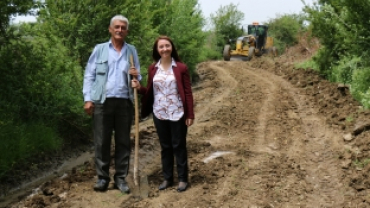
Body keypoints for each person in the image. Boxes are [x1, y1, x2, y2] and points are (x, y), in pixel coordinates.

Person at [82, 15, 141, 194]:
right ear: (110, 29)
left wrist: (136, 79)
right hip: (102, 101)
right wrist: (88, 98)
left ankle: (120, 179)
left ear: (127, 31)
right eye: (117, 27)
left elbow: (138, 76)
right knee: (101, 141)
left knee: (123, 141)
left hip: (124, 102)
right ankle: (102, 178)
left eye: (123, 27)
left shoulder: (131, 51)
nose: (120, 30)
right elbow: (89, 75)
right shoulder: (100, 50)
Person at [131, 36, 194, 192]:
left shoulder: (181, 68)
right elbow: (151, 92)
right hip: (159, 113)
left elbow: (187, 92)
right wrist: (139, 88)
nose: (164, 49)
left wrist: (190, 114)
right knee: (165, 147)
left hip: (178, 112)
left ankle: (182, 179)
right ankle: (167, 178)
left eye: (167, 46)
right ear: (157, 50)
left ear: (171, 47)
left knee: (178, 146)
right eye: (161, 47)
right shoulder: (153, 68)